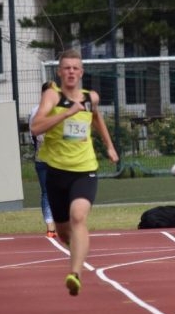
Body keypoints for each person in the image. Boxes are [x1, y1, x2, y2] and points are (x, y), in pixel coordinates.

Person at [30, 49, 119, 296]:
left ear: (81, 72)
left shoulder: (91, 97)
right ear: (59, 72)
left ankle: (75, 273)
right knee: (63, 232)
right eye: (66, 68)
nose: (71, 72)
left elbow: (97, 118)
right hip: (56, 171)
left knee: (78, 216)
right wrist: (67, 113)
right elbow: (36, 128)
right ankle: (78, 246)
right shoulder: (52, 96)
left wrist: (109, 146)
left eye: (75, 68)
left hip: (85, 169)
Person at [28, 81, 58, 238]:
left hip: (55, 157)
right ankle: (50, 225)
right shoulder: (36, 112)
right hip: (47, 158)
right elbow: (35, 135)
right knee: (47, 192)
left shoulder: (60, 111)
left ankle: (57, 224)